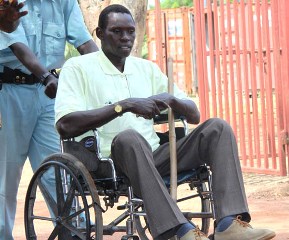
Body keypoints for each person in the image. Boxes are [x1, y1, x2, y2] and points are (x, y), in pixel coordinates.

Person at [55, 4, 275, 240]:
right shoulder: (78, 68)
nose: (126, 38)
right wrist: (124, 106)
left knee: (217, 128)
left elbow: (194, 115)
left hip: (154, 155)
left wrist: (172, 100)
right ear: (99, 33)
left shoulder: (146, 69)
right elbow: (65, 124)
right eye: (117, 31)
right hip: (108, 162)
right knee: (129, 137)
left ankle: (228, 226)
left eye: (130, 31)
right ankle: (179, 231)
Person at [0, 0, 99, 239]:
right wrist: (45, 76)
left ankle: (73, 230)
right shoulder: (10, 2)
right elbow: (18, 46)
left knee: (57, 168)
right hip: (9, 91)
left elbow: (84, 43)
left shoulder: (64, 2)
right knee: (6, 173)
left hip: (48, 95)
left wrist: (107, 70)